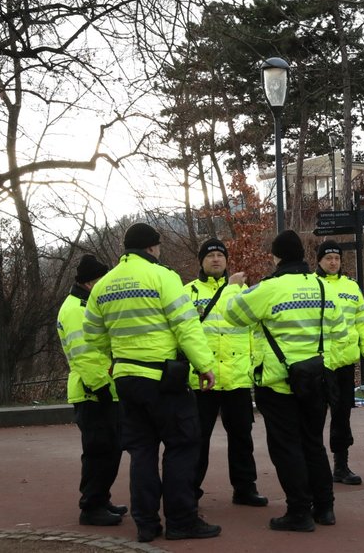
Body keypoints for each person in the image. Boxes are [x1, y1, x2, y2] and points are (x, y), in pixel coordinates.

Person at [81, 223, 221, 543]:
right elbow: (186, 326)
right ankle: (182, 520)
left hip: (126, 380)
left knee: (142, 452)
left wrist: (116, 358)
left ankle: (145, 523)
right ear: (153, 248)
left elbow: (93, 335)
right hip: (164, 379)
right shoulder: (163, 277)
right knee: (182, 446)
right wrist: (204, 365)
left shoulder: (104, 286)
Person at [222, 230, 349, 532]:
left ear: (276, 257)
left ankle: (298, 512)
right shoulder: (323, 288)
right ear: (303, 256)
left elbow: (232, 315)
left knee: (286, 447)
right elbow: (341, 333)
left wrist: (232, 289)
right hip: (317, 378)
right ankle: (325, 507)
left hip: (279, 382)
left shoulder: (269, 288)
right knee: (313, 444)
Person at [186, 238, 267, 508]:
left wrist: (254, 364)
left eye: (220, 255)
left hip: (237, 378)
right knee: (196, 440)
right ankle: (190, 491)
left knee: (242, 438)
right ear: (201, 261)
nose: (216, 259)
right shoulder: (188, 292)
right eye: (210, 256)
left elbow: (255, 330)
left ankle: (245, 489)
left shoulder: (242, 292)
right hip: (202, 379)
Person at [58, 254, 125, 527]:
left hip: (100, 389)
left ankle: (100, 499)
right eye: (101, 280)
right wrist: (101, 388)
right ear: (89, 282)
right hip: (93, 391)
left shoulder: (86, 304)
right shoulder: (76, 310)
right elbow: (84, 355)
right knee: (99, 451)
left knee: (109, 449)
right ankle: (91, 506)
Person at [315, 240, 364, 485]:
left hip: (343, 363)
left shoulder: (351, 287)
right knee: (314, 416)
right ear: (319, 260)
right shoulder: (311, 285)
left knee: (342, 417)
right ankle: (315, 465)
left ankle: (341, 466)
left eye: (337, 259)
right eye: (328, 258)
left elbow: (363, 322)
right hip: (318, 363)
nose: (333, 262)